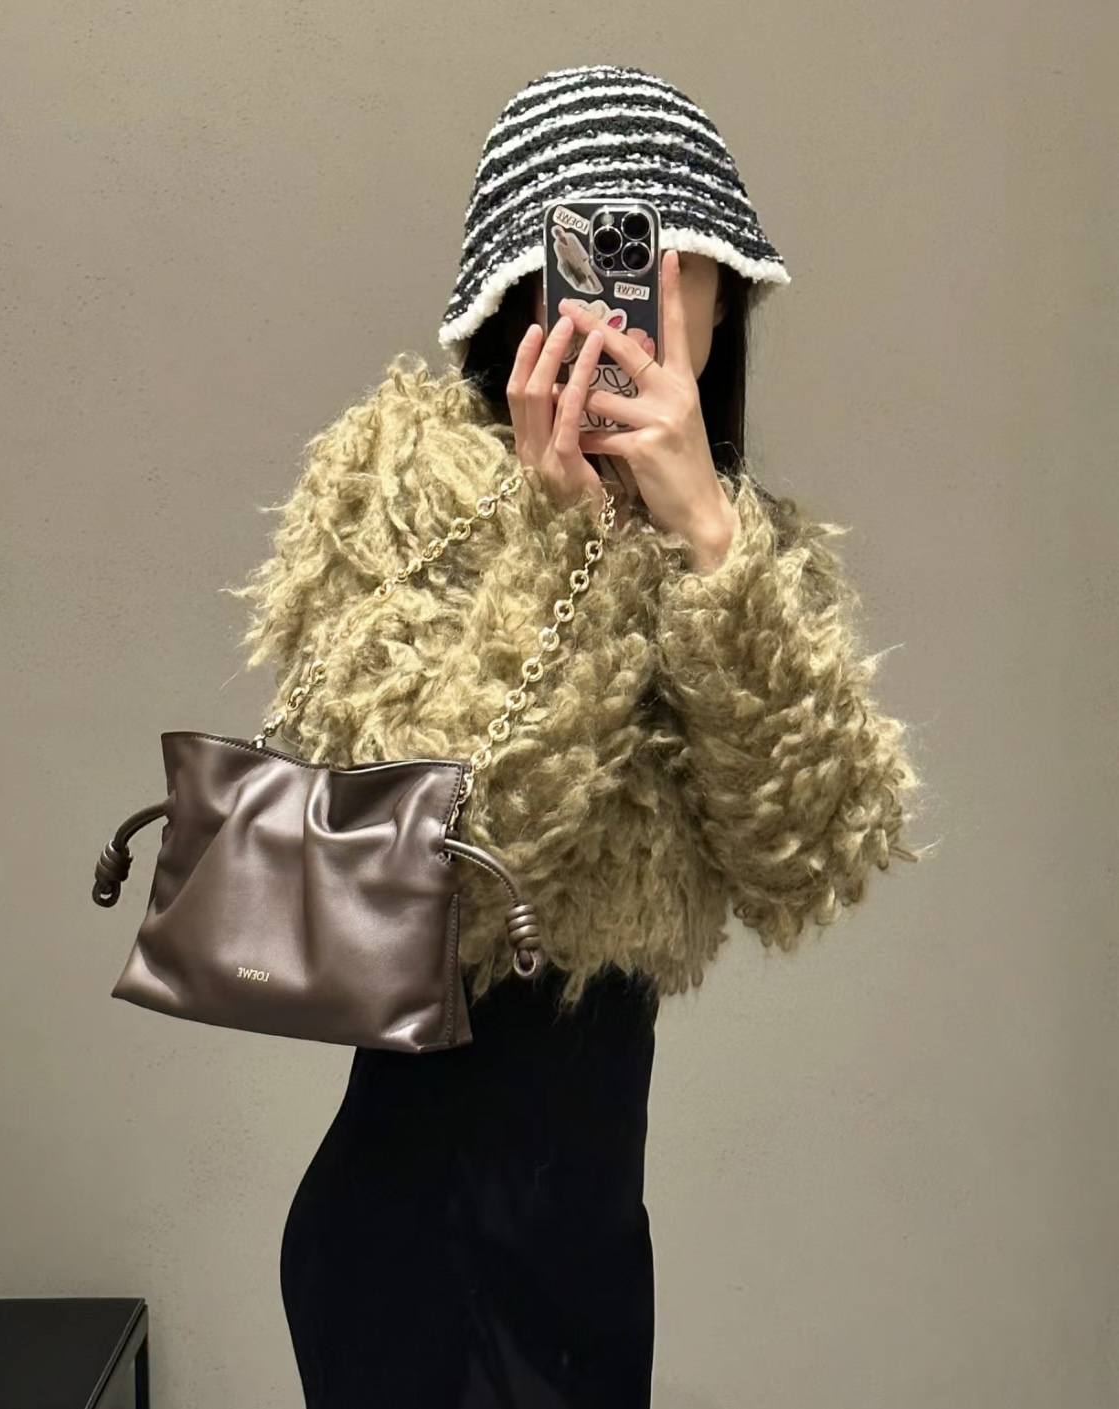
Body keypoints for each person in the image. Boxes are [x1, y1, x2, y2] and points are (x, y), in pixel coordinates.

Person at [228, 62, 927, 1409]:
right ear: (519, 288)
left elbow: (809, 848)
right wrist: (564, 544)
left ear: (725, 293)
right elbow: (431, 864)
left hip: (591, 1251)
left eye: (677, 261)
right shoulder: (403, 484)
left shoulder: (734, 546)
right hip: (412, 1239)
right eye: (599, 261)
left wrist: (708, 542)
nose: (638, 301)